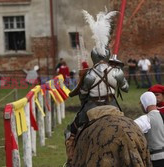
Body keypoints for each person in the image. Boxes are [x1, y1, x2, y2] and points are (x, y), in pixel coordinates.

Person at [64, 8, 129, 166]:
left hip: (91, 108)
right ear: (107, 56)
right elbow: (126, 88)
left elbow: (83, 95)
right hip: (113, 105)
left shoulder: (89, 75)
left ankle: (70, 161)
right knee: (128, 127)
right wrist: (118, 76)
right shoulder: (117, 72)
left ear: (93, 57)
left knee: (70, 131)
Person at [134, 92, 164, 167]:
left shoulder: (146, 119)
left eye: (141, 104)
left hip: (156, 160)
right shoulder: (162, 115)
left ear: (145, 103)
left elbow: (128, 128)